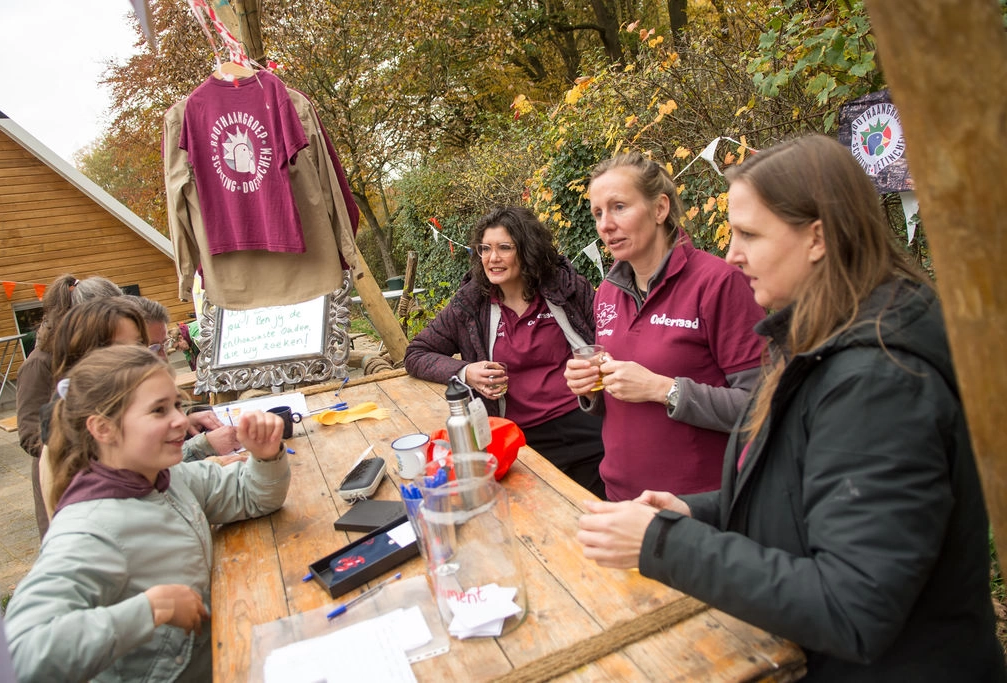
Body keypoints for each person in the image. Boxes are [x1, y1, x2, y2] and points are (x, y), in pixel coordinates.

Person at [576, 135, 1007, 681]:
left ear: (817, 238)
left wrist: (663, 542)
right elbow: (801, 490)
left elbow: (854, 607)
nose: (732, 254)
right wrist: (700, 511)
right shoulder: (817, 336)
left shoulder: (879, 379)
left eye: (749, 234)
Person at [3, 345, 291, 682]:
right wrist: (151, 610)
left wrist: (267, 457)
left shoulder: (166, 479)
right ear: (103, 428)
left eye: (177, 406)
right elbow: (20, 652)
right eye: (158, 410)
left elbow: (251, 496)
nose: (181, 421)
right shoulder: (89, 529)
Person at [564, 151, 765, 501]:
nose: (604, 225)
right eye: (598, 213)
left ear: (660, 209)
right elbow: (620, 396)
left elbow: (761, 407)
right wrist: (590, 390)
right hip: (621, 497)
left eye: (619, 207)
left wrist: (664, 389)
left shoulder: (719, 283)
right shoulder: (607, 293)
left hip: (699, 505)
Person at [405, 206, 606, 498]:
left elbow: (611, 337)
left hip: (585, 421)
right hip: (519, 438)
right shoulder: (471, 303)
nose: (492, 258)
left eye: (504, 248)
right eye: (485, 248)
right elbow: (416, 353)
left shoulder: (566, 289)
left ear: (527, 250)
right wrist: (465, 372)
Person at [16, 274, 122, 538]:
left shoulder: (94, 354)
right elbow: (30, 433)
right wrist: (79, 443)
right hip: (65, 480)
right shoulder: (40, 363)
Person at [129, 295, 240, 461]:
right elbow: (149, 470)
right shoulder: (109, 405)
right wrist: (203, 446)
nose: (164, 359)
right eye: (153, 348)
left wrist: (187, 418)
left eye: (164, 346)